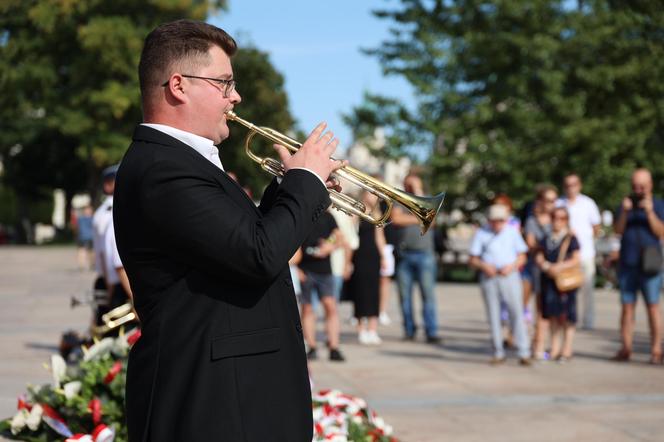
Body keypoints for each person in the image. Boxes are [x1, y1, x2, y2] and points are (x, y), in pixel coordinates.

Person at [113, 20, 344, 441]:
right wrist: (304, 182)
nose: (235, 97)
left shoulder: (182, 163)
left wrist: (290, 189)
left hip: (234, 398)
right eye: (224, 83)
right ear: (179, 86)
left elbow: (238, 242)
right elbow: (257, 255)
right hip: (215, 405)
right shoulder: (164, 169)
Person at [612, 168, 664, 364]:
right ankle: (625, 348)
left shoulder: (658, 205)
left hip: (650, 264)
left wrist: (649, 212)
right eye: (635, 186)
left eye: (641, 186)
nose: (638, 190)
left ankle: (656, 350)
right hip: (628, 262)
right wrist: (625, 212)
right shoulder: (625, 204)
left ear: (650, 185)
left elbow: (661, 232)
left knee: (653, 307)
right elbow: (618, 230)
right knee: (627, 308)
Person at [469, 204, 531, 366]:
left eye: (500, 221)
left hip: (509, 276)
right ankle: (498, 351)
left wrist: (511, 266)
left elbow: (523, 255)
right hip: (490, 277)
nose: (497, 224)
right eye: (494, 221)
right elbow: (473, 258)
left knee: (516, 312)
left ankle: (524, 351)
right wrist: (484, 266)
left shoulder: (512, 232)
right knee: (493, 315)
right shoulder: (482, 233)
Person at [391, 173, 441, 343]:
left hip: (425, 253)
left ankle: (431, 331)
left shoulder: (428, 200)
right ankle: (409, 330)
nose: (411, 186)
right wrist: (419, 218)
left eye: (414, 184)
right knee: (405, 297)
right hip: (404, 254)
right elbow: (396, 219)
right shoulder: (400, 199)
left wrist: (418, 192)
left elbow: (432, 221)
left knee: (428, 295)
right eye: (409, 184)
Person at [298, 211, 345, 362]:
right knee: (307, 308)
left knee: (330, 306)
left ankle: (334, 346)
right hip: (305, 268)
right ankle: (311, 345)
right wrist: (295, 269)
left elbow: (339, 238)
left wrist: (330, 247)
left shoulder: (328, 216)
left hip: (325, 270)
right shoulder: (302, 215)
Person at [536, 207, 581, 363]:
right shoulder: (546, 237)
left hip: (566, 282)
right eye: (555, 217)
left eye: (562, 218)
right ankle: (554, 348)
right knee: (553, 315)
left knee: (568, 315)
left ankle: (566, 348)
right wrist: (547, 267)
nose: (558, 221)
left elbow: (576, 259)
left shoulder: (570, 238)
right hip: (549, 280)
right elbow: (539, 256)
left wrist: (559, 267)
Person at [558, 173, 601, 330]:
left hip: (585, 254)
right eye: (568, 185)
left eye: (574, 184)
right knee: (568, 290)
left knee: (587, 289)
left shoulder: (588, 203)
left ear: (579, 185)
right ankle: (570, 319)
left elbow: (596, 227)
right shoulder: (559, 203)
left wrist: (588, 239)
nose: (571, 188)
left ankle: (588, 321)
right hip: (567, 256)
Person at [345, 191, 387, 345]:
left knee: (374, 292)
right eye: (370, 194)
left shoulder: (377, 213)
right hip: (359, 256)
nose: (373, 197)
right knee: (360, 292)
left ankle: (373, 329)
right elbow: (350, 232)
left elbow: (379, 237)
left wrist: (383, 256)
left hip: (373, 256)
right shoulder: (356, 211)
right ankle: (361, 330)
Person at [525, 185, 558, 360]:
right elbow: (530, 244)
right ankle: (536, 342)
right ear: (540, 201)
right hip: (536, 269)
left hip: (553, 269)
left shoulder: (558, 219)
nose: (552, 204)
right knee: (538, 308)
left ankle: (548, 344)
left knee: (552, 310)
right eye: (549, 201)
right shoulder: (532, 220)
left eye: (554, 200)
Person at [75, 205, 94, 270]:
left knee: (82, 251)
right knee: (89, 251)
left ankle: (82, 265)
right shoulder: (93, 218)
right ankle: (91, 264)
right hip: (90, 236)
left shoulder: (80, 218)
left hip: (82, 236)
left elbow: (77, 227)